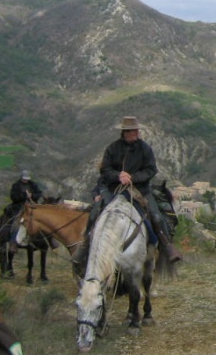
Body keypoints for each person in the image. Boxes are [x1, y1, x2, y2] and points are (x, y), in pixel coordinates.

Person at [74, 116, 182, 272]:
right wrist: (119, 176)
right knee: (96, 212)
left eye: (136, 130)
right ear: (124, 132)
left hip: (140, 189)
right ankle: (85, 245)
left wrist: (133, 177)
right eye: (131, 131)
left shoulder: (145, 148)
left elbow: (151, 170)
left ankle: (166, 246)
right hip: (115, 189)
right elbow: (105, 170)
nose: (135, 133)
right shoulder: (112, 148)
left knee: (156, 216)